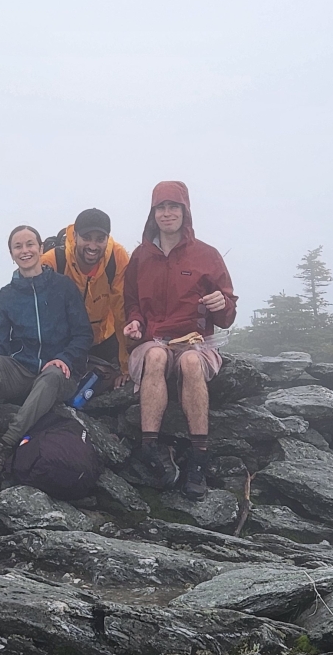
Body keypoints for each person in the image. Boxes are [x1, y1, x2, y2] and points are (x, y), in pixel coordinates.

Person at [123, 181, 238, 501]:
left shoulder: (207, 256)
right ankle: (150, 448)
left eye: (174, 207)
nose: (167, 213)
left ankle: (198, 459)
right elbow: (131, 303)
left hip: (196, 342)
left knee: (189, 361)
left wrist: (222, 304)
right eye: (161, 207)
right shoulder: (140, 257)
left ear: (185, 212)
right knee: (156, 356)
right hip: (153, 341)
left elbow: (227, 315)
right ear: (152, 213)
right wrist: (134, 322)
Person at [0, 225, 93, 479]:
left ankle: (7, 443)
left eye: (30, 244)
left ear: (40, 248)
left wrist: (65, 358)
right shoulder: (6, 295)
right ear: (11, 253)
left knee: (53, 373)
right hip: (22, 369)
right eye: (18, 246)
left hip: (60, 373)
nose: (25, 250)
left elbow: (83, 335)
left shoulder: (63, 287)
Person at [40, 208, 130, 384]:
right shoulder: (52, 261)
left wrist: (126, 368)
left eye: (100, 239)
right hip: (65, 342)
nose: (92, 246)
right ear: (74, 236)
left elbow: (122, 311)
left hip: (104, 339)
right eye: (86, 237)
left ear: (108, 239)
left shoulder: (117, 257)